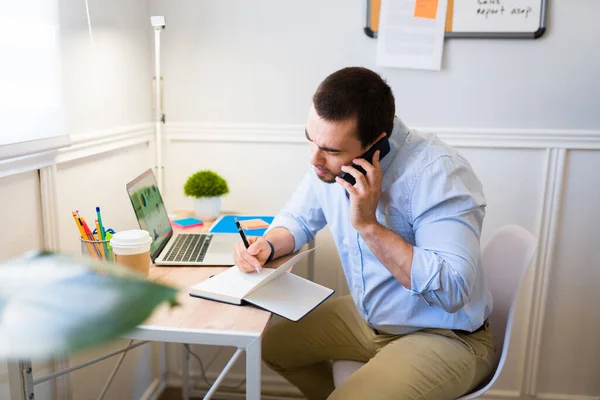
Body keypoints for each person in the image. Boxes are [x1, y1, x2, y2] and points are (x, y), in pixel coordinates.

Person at [232, 66, 495, 400]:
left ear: (375, 145)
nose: (314, 158)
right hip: (371, 319)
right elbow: (298, 217)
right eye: (310, 140)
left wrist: (369, 226)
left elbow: (453, 291)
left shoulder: (439, 173)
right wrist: (268, 245)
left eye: (331, 150)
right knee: (274, 347)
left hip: (445, 333)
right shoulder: (326, 162)